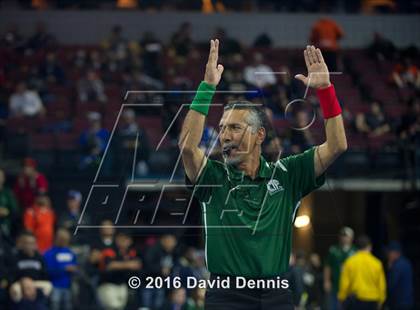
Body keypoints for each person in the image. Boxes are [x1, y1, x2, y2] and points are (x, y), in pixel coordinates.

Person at [178, 40, 347, 309]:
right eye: (222, 128)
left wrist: (326, 90)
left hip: (276, 294)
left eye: (234, 128)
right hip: (226, 296)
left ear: (259, 135)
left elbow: (337, 146)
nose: (224, 136)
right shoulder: (214, 177)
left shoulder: (288, 174)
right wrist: (207, 86)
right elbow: (187, 146)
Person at [338, 235, 386, 310]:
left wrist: (342, 298)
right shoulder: (377, 263)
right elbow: (381, 285)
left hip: (356, 300)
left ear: (357, 247)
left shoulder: (349, 262)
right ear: (370, 247)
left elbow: (344, 283)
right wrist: (381, 300)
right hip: (373, 300)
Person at [97, 231, 142, 310]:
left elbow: (137, 264)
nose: (124, 242)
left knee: (121, 307)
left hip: (122, 285)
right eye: (121, 239)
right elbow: (110, 265)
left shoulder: (131, 252)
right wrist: (128, 265)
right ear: (116, 239)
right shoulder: (110, 250)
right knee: (113, 307)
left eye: (126, 239)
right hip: (108, 285)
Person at [44, 228, 78, 310]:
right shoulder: (49, 253)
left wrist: (74, 269)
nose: (64, 241)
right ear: (57, 238)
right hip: (55, 285)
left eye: (66, 239)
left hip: (68, 286)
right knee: (55, 305)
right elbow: (47, 270)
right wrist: (64, 269)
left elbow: (75, 267)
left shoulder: (70, 253)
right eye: (62, 239)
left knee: (69, 306)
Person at [324, 227, 356, 310]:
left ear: (351, 238)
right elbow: (328, 266)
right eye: (342, 236)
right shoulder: (333, 249)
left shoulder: (355, 251)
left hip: (350, 288)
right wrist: (326, 281)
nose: (344, 238)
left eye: (346, 236)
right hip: (335, 285)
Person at [386, 241, 414, 310]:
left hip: (399, 302)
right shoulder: (407, 262)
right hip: (408, 300)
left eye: (389, 253)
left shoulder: (397, 266)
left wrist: (390, 269)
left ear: (395, 253)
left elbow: (392, 284)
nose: (388, 255)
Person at [0, 168, 19, 241]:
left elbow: (15, 211)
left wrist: (6, 212)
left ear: (3, 178)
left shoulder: (8, 193)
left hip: (5, 227)